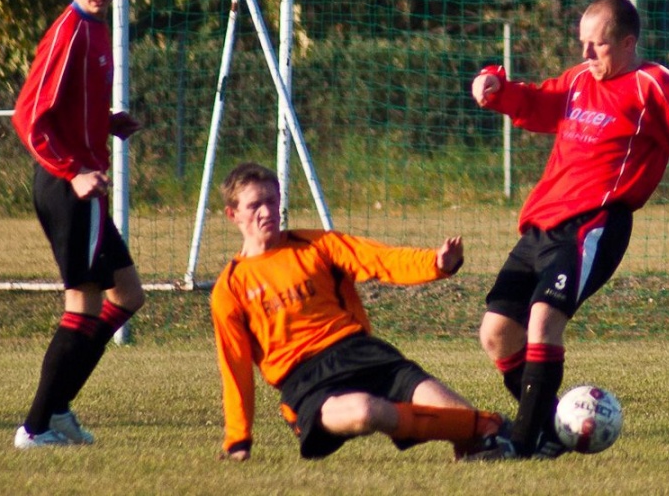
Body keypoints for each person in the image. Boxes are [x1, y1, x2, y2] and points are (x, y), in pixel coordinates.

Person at [469, 0, 669, 459]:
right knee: (497, 333)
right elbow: (539, 101)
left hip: (595, 225)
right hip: (542, 224)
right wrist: (496, 89)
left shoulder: (654, 86)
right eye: (582, 43)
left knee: (543, 319)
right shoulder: (581, 80)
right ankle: (553, 426)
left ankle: (523, 445)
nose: (585, 55)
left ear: (627, 43)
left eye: (597, 46)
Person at [210, 162, 508, 462]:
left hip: (361, 353)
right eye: (254, 206)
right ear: (233, 214)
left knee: (467, 422)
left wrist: (437, 263)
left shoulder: (318, 244)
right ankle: (491, 426)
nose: (266, 212)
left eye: (272, 201)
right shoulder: (230, 287)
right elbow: (234, 365)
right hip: (306, 381)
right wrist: (238, 439)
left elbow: (379, 259)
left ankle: (484, 433)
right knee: (365, 411)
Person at [10, 0, 145, 449]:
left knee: (128, 295)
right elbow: (29, 116)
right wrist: (73, 170)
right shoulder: (70, 32)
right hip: (69, 187)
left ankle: (60, 410)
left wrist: (106, 123)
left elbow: (67, 109)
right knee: (83, 307)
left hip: (83, 184)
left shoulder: (95, 29)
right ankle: (37, 427)